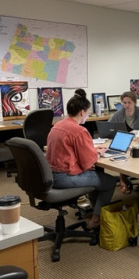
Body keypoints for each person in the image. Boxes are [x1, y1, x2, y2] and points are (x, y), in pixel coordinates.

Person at [46, 89, 119, 230]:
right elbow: (88, 163)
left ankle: (94, 210)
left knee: (97, 178)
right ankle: (97, 218)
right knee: (109, 181)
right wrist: (97, 153)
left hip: (51, 175)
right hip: (64, 177)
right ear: (81, 112)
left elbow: (69, 150)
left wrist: (92, 150)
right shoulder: (79, 131)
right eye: (87, 112)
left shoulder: (58, 126)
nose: (87, 115)